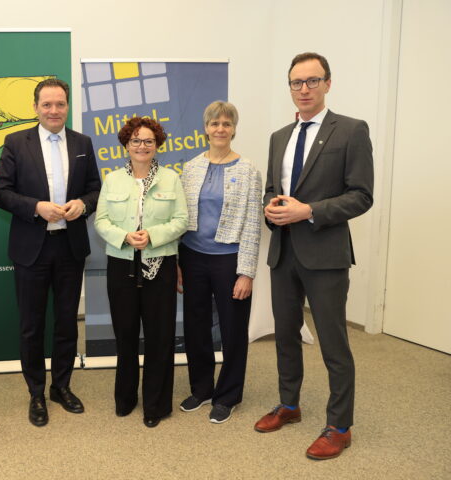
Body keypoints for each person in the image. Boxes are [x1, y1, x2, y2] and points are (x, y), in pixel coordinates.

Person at [255, 52, 374, 460]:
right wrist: (271, 208)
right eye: (296, 82)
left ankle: (339, 427)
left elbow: (361, 195)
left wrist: (308, 211)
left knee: (333, 343)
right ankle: (289, 404)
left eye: (312, 81)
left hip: (325, 255)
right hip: (284, 252)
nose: (303, 89)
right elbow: (272, 190)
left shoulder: (351, 130)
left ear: (327, 83)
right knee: (286, 335)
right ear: (289, 86)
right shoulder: (279, 137)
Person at [0, 78, 101, 427]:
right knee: (32, 325)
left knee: (67, 322)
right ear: (35, 107)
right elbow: (1, 193)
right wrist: (36, 207)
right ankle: (36, 392)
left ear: (67, 106)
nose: (54, 110)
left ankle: (61, 387)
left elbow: (95, 189)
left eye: (60, 104)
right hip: (31, 249)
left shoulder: (83, 143)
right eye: (47, 104)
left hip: (70, 247)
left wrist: (82, 205)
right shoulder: (16, 142)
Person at [94, 117, 188, 428]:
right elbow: (101, 221)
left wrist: (153, 236)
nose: (142, 146)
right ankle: (125, 398)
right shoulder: (112, 180)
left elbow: (181, 220)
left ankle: (155, 405)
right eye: (136, 140)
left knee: (160, 336)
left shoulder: (171, 179)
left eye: (148, 141)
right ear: (126, 145)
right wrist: (124, 236)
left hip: (160, 263)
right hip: (122, 263)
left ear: (157, 145)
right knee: (126, 334)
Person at [177, 101, 262, 424]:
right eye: (215, 124)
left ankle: (228, 396)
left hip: (230, 260)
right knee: (196, 327)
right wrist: (177, 263)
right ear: (205, 128)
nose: (220, 129)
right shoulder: (191, 167)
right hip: (193, 256)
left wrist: (247, 273)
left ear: (234, 129)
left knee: (232, 330)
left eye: (227, 123)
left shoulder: (248, 170)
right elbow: (180, 218)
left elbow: (253, 224)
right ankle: (201, 389)